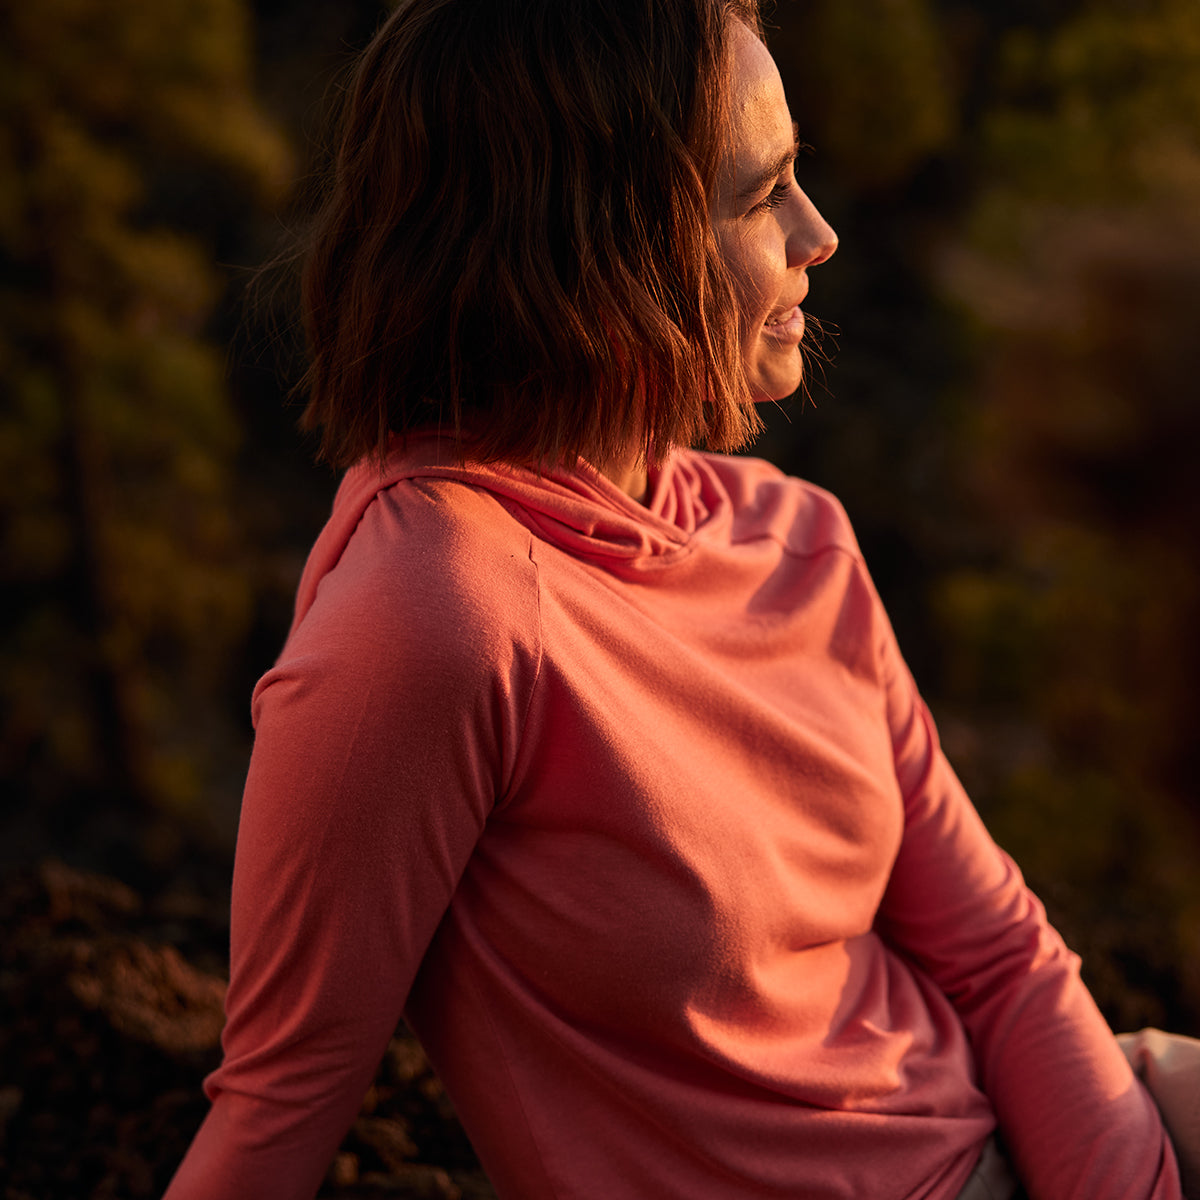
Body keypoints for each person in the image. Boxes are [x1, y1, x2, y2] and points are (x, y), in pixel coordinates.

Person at [164, 1, 1192, 1197]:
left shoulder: (797, 535)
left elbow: (1001, 955)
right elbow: (285, 1099)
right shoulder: (438, 616)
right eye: (762, 197)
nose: (820, 236)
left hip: (1056, 1128)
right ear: (593, 240)